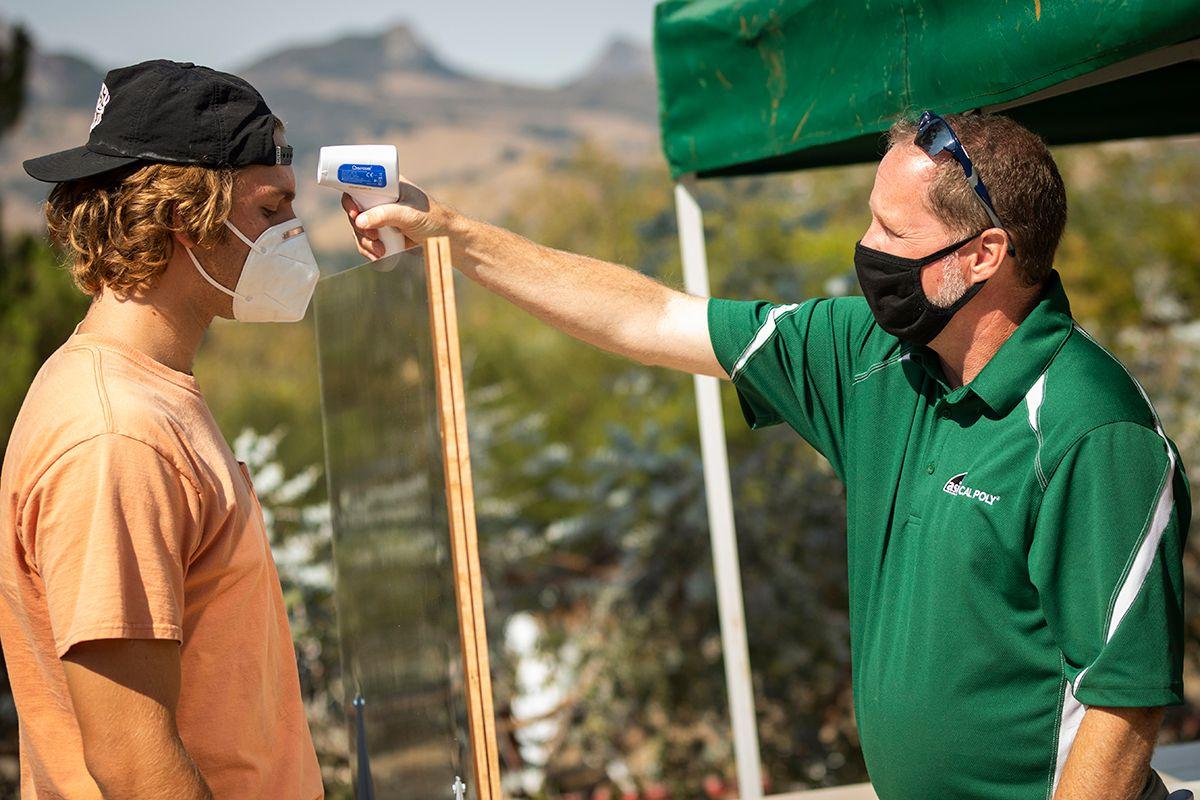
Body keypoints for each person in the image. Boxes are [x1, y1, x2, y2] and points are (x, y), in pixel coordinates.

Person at [346, 111, 1190, 800]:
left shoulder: (1092, 429)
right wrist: (452, 235)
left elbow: (1123, 706)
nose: (865, 248)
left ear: (983, 255)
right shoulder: (875, 355)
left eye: (892, 230)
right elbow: (650, 319)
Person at [1, 60, 323, 798]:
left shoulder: (146, 393)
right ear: (184, 216)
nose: (293, 234)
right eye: (271, 209)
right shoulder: (116, 437)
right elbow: (136, 765)